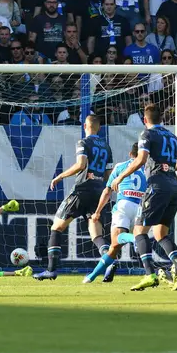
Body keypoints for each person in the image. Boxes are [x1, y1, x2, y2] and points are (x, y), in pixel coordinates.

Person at [84, 143, 177, 283]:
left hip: (124, 205)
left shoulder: (120, 167)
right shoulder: (147, 168)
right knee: (113, 248)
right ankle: (91, 276)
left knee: (117, 240)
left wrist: (98, 212)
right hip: (140, 208)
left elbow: (107, 191)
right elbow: (161, 177)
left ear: (131, 154)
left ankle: (133, 240)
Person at [110, 104, 177, 291]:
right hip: (173, 187)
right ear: (161, 119)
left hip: (157, 187)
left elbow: (141, 159)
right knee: (160, 233)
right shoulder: (172, 136)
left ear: (145, 120)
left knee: (139, 231)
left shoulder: (146, 134)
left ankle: (149, 274)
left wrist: (121, 176)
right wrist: (167, 167)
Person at [34, 115, 113, 280]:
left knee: (56, 227)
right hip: (98, 191)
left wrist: (60, 176)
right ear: (98, 127)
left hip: (81, 190)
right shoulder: (107, 147)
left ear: (85, 126)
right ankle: (109, 262)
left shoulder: (83, 143)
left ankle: (51, 270)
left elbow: (81, 165)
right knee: (95, 233)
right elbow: (109, 174)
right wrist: (101, 187)